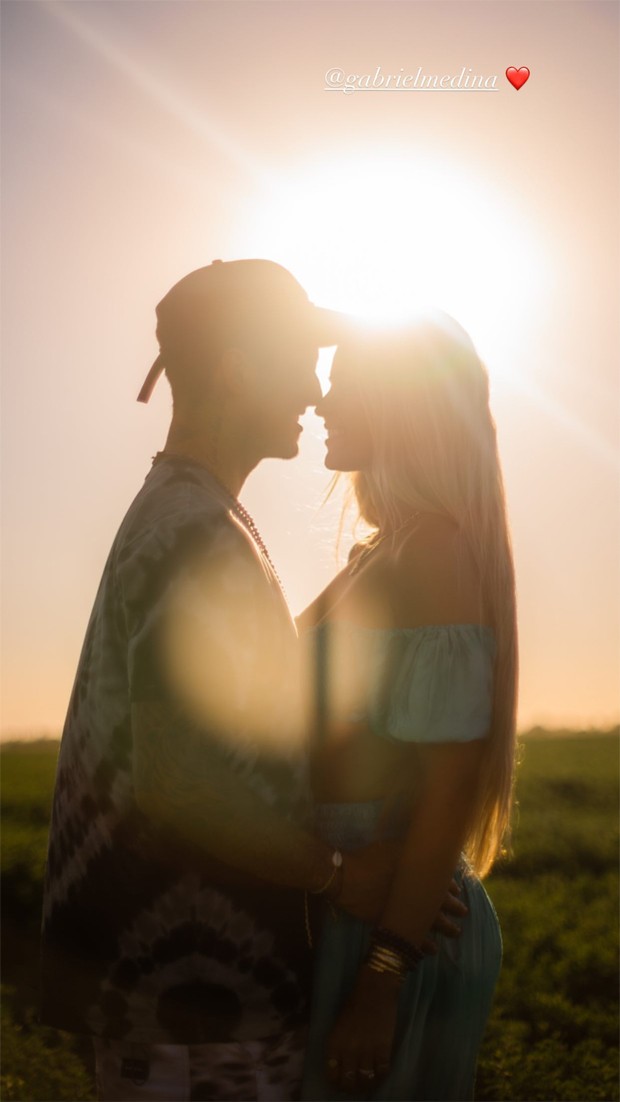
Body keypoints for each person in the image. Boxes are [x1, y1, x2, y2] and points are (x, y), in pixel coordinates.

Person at [39, 259, 403, 1102]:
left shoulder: (186, 511)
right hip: (195, 1004)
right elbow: (180, 786)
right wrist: (345, 876)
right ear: (238, 368)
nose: (315, 392)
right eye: (301, 361)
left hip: (171, 997)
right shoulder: (198, 529)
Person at [297, 316, 518, 1100]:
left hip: (394, 924)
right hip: (353, 895)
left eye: (343, 379)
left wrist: (384, 973)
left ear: (402, 404)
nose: (321, 400)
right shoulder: (378, 552)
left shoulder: (434, 552)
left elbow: (450, 784)